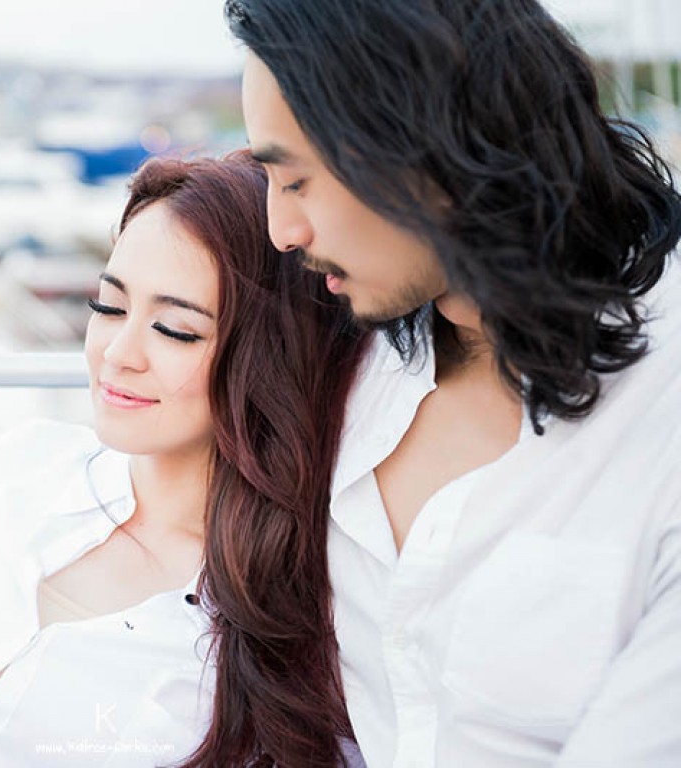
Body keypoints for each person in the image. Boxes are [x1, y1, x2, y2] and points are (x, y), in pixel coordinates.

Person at [0, 150, 369, 767]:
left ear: (267, 356)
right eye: (109, 306)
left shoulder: (293, 600)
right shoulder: (32, 466)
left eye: (175, 329)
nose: (119, 352)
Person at [214, 0, 681, 765]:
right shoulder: (355, 343)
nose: (282, 233)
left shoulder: (660, 421)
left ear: (430, 144)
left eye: (296, 181)